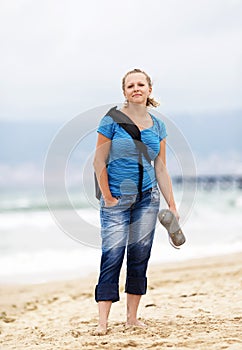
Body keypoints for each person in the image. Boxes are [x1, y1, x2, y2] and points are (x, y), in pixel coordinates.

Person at [93, 68, 179, 335]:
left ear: (149, 90)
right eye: (131, 85)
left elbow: (161, 168)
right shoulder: (111, 120)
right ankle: (102, 322)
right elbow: (99, 161)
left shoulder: (159, 126)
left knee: (140, 256)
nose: (136, 88)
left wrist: (172, 205)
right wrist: (107, 197)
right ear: (125, 92)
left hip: (148, 199)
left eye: (141, 84)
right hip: (116, 198)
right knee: (112, 255)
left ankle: (132, 318)